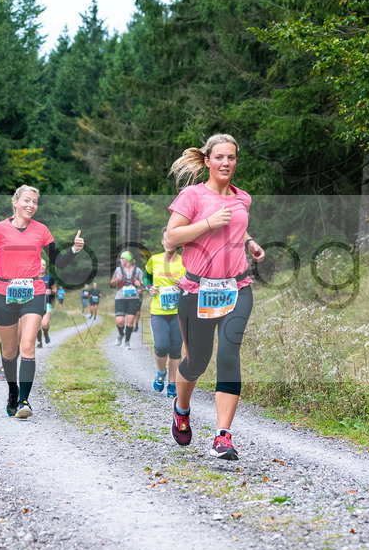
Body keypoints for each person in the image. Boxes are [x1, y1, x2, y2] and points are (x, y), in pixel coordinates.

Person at [164, 134, 264, 460]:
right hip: (197, 290)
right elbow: (171, 236)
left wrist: (249, 242)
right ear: (207, 160)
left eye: (231, 158)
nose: (226, 163)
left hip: (237, 288)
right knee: (197, 361)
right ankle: (182, 408)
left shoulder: (242, 198)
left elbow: (236, 223)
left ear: (236, 161)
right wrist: (207, 222)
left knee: (228, 356)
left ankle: (223, 436)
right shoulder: (192, 196)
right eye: (219, 157)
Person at [0, 185, 85, 419]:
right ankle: (13, 391)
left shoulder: (41, 230)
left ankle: (24, 400)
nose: (31, 205)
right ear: (15, 202)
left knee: (28, 344)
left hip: (33, 290)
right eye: (26, 201)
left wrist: (74, 249)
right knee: (10, 351)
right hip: (4, 292)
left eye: (34, 202)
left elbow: (59, 262)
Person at [146, 227, 186, 399]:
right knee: (162, 346)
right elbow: (146, 277)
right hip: (158, 311)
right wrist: (149, 287)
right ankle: (160, 373)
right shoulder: (154, 260)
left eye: (172, 240)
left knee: (176, 349)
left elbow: (193, 282)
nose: (169, 243)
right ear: (163, 242)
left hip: (178, 312)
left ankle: (172, 383)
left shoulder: (185, 261)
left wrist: (183, 285)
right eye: (166, 240)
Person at [111, 250, 144, 348]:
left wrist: (140, 283)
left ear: (128, 259)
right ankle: (121, 334)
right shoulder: (118, 270)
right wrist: (117, 279)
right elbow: (112, 283)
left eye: (122, 258)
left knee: (130, 321)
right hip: (120, 298)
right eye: (120, 258)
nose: (120, 260)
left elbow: (143, 282)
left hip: (133, 298)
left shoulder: (137, 270)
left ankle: (127, 342)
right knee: (120, 321)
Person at [37, 262, 55, 348]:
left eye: (44, 265)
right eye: (40, 265)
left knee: (44, 324)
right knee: (37, 325)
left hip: (47, 303)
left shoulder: (49, 278)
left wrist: (51, 291)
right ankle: (40, 343)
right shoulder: (33, 278)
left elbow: (55, 289)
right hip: (36, 303)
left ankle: (46, 333)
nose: (42, 267)